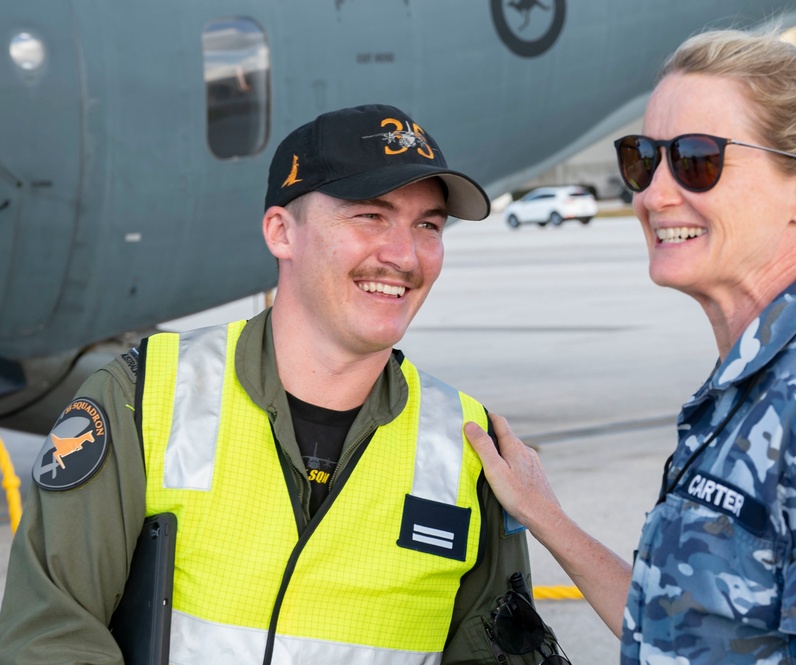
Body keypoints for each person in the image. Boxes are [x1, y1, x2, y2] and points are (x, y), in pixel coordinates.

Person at [464, 29, 796, 664]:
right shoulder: (761, 385)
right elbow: (681, 634)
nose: (653, 193)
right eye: (643, 157)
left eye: (696, 159)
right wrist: (546, 514)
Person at [0, 104, 558, 664]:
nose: (404, 255)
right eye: (370, 216)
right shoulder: (140, 397)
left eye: (428, 225)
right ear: (280, 232)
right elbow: (52, 637)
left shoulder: (470, 449)